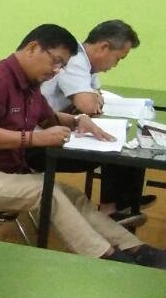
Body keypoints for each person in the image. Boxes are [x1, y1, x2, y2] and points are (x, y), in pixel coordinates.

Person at [0, 24, 166, 269]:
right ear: (33, 48)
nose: (57, 71)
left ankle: (137, 249)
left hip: (0, 172)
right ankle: (109, 259)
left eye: (62, 66)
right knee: (48, 193)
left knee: (73, 195)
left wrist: (78, 121)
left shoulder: (29, 83)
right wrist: (35, 139)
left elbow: (48, 118)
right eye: (56, 62)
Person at [36, 19, 150, 220]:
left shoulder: (87, 65)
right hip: (39, 142)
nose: (115, 65)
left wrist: (93, 98)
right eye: (118, 59)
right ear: (104, 47)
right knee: (118, 148)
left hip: (57, 128)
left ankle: (123, 204)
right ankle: (110, 211)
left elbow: (96, 97)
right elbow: (89, 105)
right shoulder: (75, 59)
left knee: (126, 143)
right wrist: (92, 99)